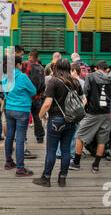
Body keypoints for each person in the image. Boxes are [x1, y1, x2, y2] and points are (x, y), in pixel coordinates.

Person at [33, 58, 85, 187]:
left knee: (51, 150)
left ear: (56, 68)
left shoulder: (54, 81)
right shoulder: (75, 82)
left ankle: (46, 178)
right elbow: (84, 100)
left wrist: (40, 115)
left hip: (56, 119)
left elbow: (48, 103)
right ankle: (62, 178)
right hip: (71, 121)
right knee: (66, 150)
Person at [70, 60, 111, 173]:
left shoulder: (90, 76)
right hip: (106, 112)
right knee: (102, 140)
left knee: (79, 136)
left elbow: (86, 92)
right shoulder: (110, 79)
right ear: (106, 69)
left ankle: (76, 162)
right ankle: (96, 165)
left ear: (96, 68)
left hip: (93, 112)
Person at [2, 55, 36, 177]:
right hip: (22, 110)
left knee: (9, 136)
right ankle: (20, 169)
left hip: (9, 109)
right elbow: (33, 91)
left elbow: (5, 92)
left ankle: (8, 162)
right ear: (18, 65)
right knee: (20, 138)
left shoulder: (6, 77)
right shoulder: (22, 77)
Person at [55, 62, 85, 159]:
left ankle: (60, 152)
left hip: (62, 112)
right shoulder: (80, 82)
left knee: (60, 133)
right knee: (74, 134)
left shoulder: (58, 81)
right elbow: (84, 99)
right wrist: (78, 108)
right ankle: (71, 153)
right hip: (76, 113)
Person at [21, 49, 46, 144]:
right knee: (37, 118)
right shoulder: (41, 68)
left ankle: (23, 137)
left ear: (30, 56)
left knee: (24, 118)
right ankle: (40, 137)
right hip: (37, 98)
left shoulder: (26, 64)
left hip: (26, 97)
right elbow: (43, 84)